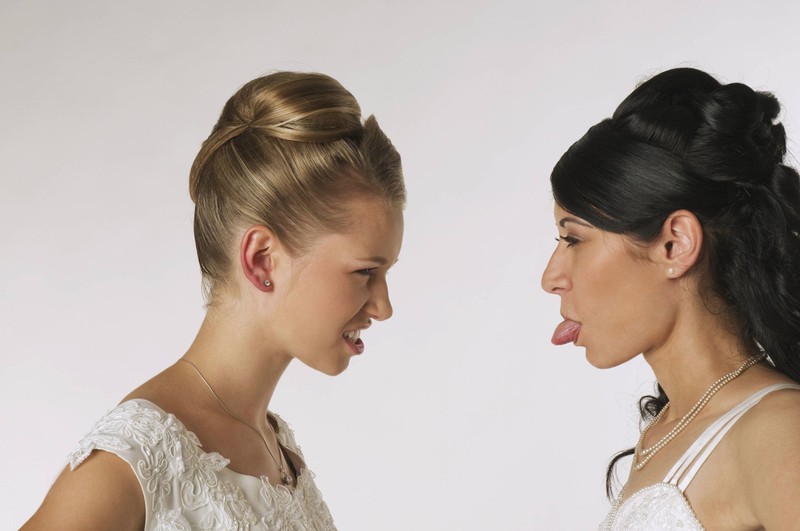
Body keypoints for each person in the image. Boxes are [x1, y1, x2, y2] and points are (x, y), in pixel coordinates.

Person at [23, 71, 406, 530]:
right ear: (262, 260)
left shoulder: (277, 448)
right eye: (366, 272)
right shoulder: (134, 462)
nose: (383, 307)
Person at [541, 67, 800, 529]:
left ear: (675, 245)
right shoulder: (665, 431)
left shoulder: (780, 432)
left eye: (574, 239)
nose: (551, 277)